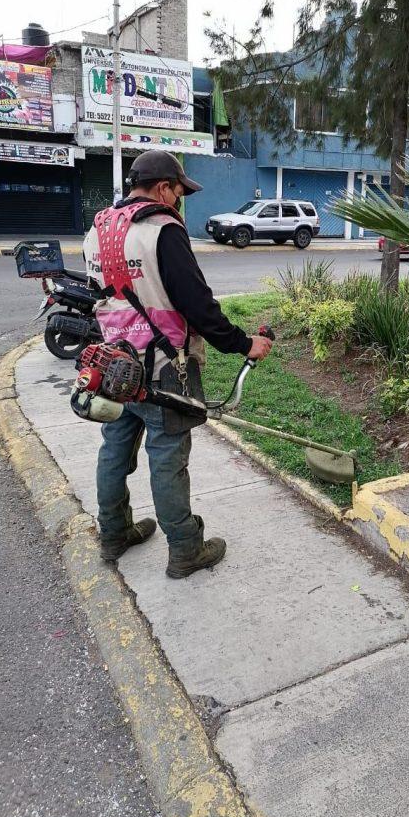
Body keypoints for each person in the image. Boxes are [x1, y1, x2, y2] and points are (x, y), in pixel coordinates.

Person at [83, 150, 272, 578]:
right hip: (164, 365)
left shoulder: (96, 230)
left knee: (114, 450)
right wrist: (244, 344)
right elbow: (197, 305)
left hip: (114, 365)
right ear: (164, 188)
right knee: (167, 457)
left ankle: (113, 534)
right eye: (179, 192)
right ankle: (186, 548)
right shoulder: (162, 229)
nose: (180, 201)